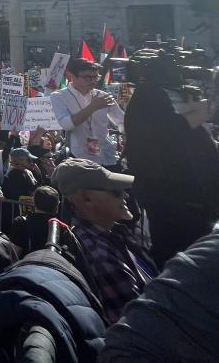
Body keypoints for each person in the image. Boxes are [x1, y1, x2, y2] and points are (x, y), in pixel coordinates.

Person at [122, 83, 219, 267]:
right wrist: (195, 117)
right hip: (180, 219)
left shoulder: (197, 132)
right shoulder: (149, 104)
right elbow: (160, 136)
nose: (204, 100)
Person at [52, 158, 158, 323]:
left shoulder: (111, 235)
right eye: (114, 191)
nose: (125, 194)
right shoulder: (99, 254)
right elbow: (143, 322)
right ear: (86, 198)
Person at [99, 221, 219, 363]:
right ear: (86, 199)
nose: (125, 197)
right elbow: (129, 342)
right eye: (116, 196)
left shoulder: (123, 237)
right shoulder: (100, 252)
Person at [50, 58, 124, 167]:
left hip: (109, 156)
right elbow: (66, 124)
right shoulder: (59, 96)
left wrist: (125, 138)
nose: (93, 81)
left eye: (96, 77)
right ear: (73, 76)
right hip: (81, 159)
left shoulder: (103, 96)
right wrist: (93, 107)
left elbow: (122, 120)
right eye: (88, 77)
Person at [7, 185, 61, 256]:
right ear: (56, 205)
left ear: (34, 202)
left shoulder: (20, 222)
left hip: (26, 265)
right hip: (51, 265)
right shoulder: (59, 226)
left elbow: (14, 253)